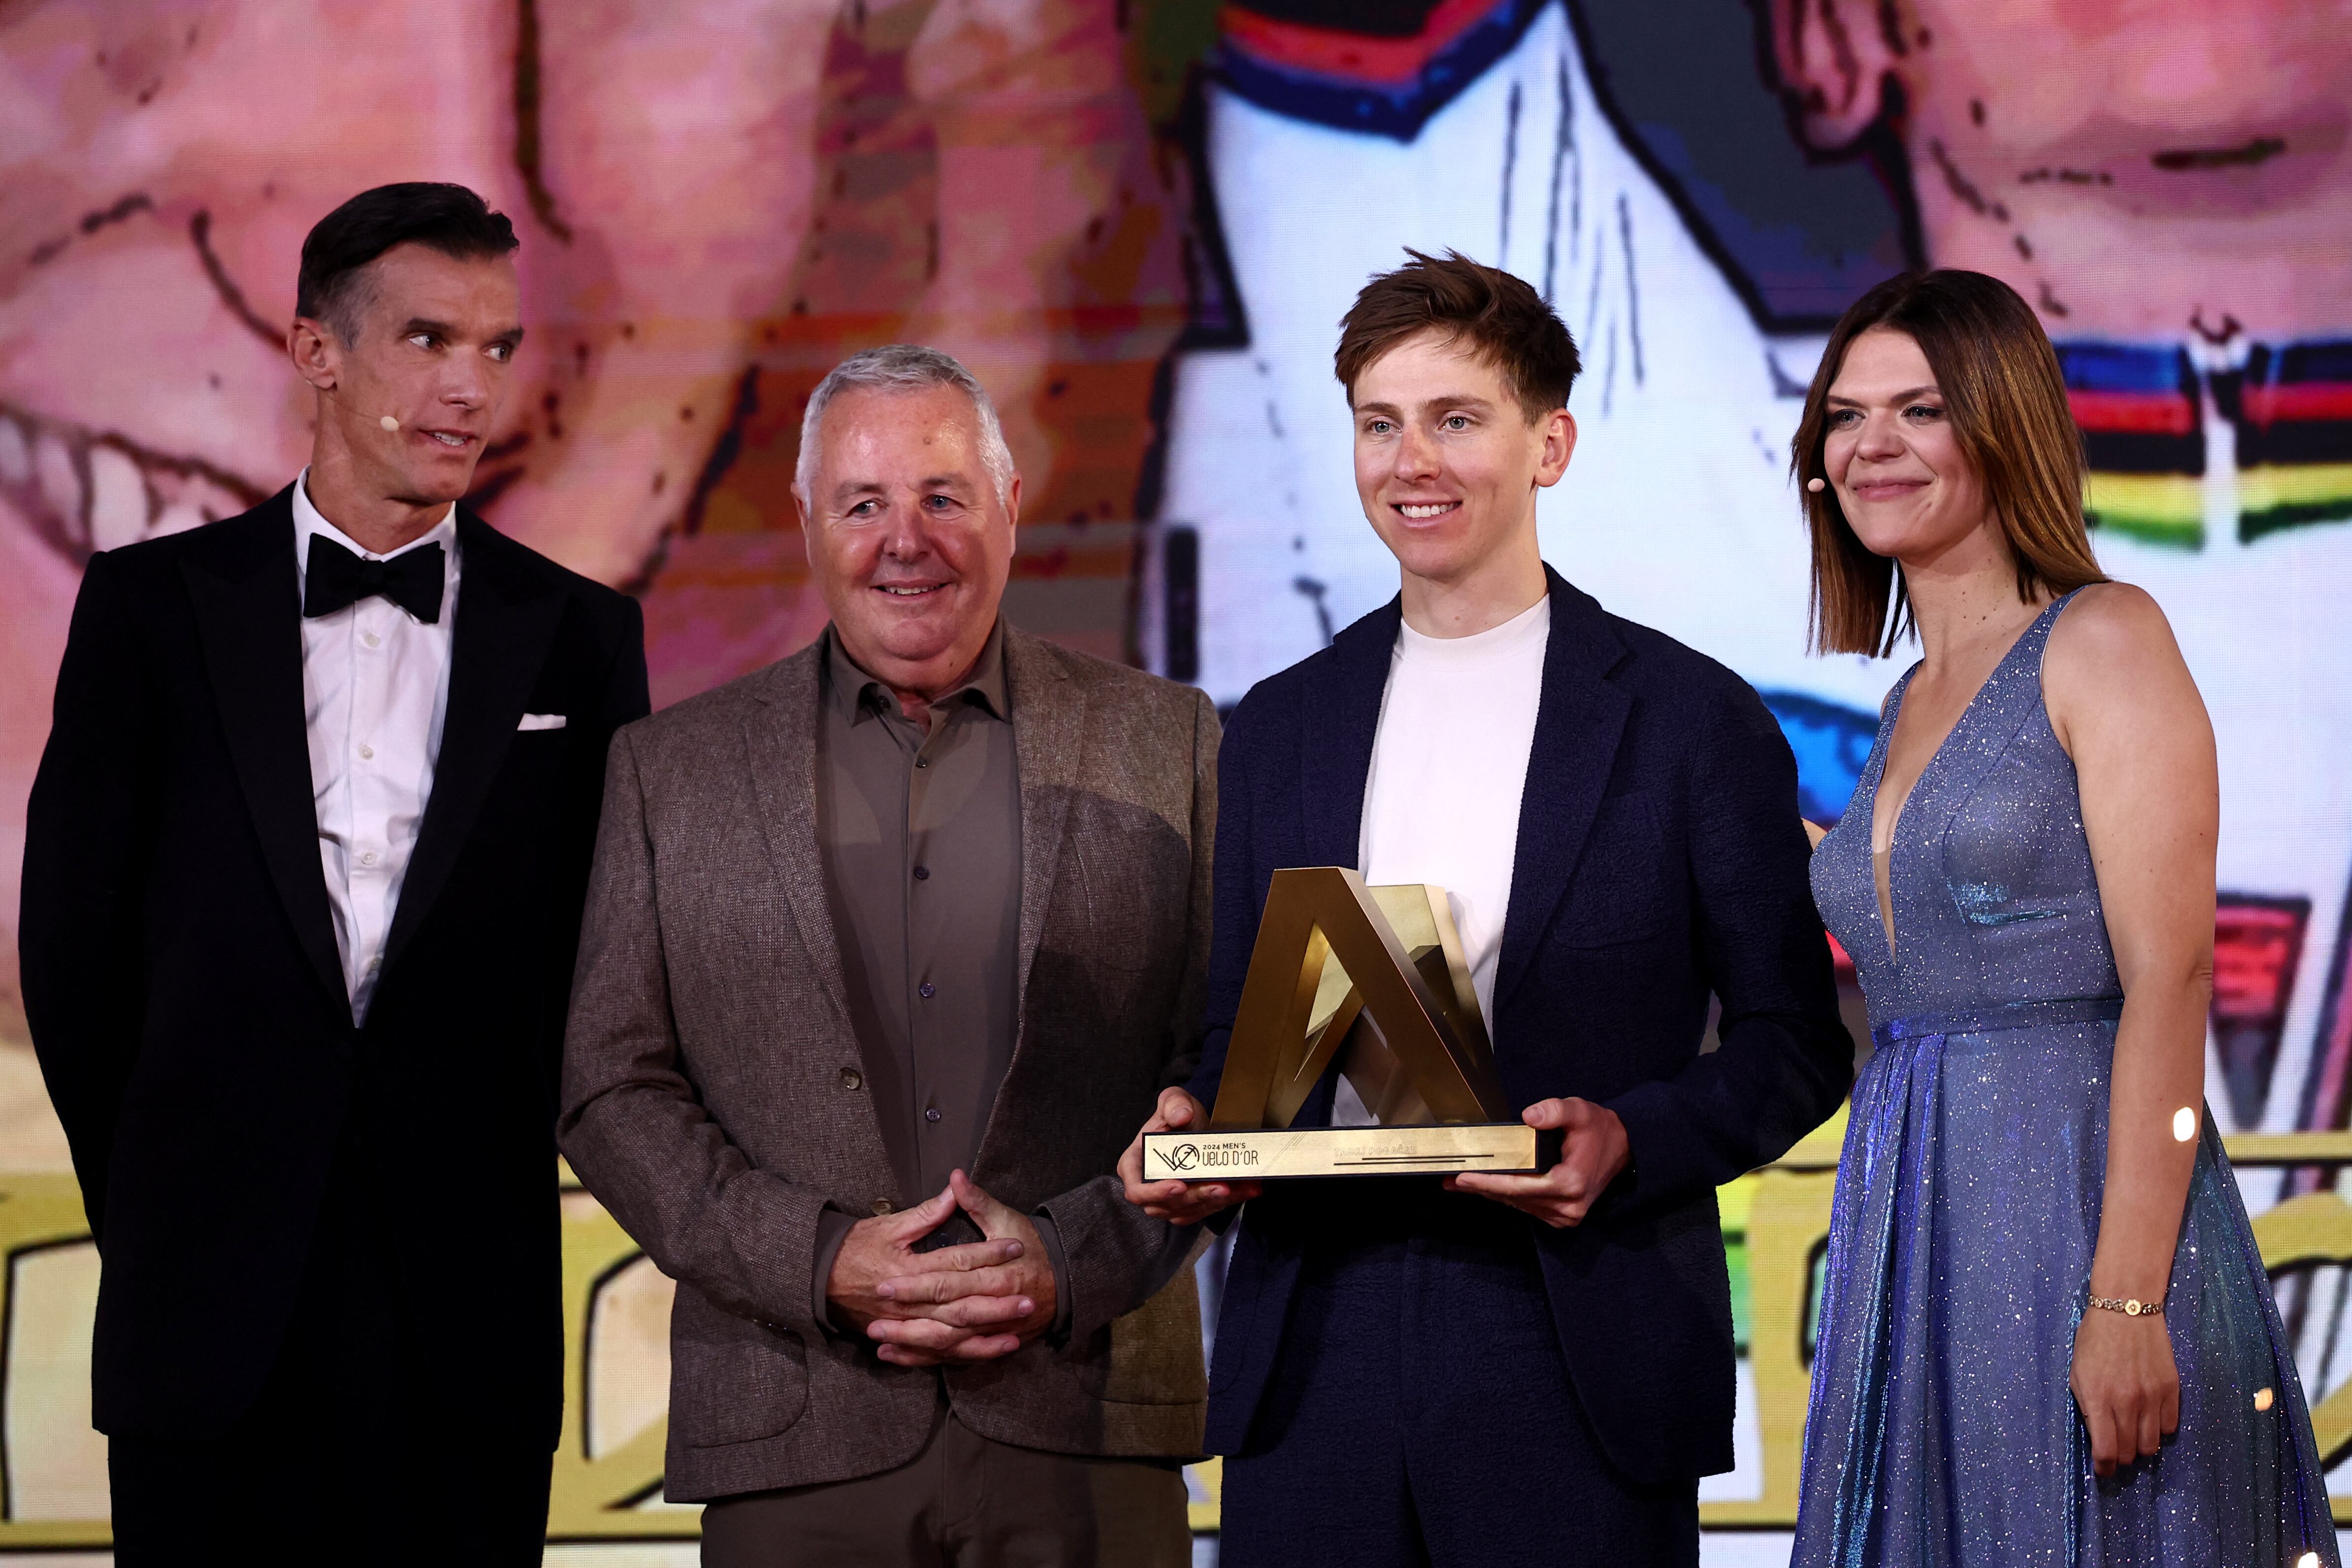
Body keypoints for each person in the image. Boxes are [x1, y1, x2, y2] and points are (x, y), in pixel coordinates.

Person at [1120, 250, 1852, 1566]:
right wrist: (1189, 1137)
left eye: (1457, 420)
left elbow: (1795, 1043)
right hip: (1316, 1365)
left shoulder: (1692, 721)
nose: (1415, 463)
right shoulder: (1279, 726)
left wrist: (1631, 1138)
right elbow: (1235, 1038)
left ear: (1550, 443)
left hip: (1577, 1351)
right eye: (1379, 425)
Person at [17, 182, 650, 1561]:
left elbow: (603, 967)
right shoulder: (148, 614)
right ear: (315, 350)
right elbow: (72, 957)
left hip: (465, 1327)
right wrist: (170, 1202)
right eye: (429, 339)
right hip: (205, 1323)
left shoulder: (582, 639)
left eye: (496, 347)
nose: (471, 387)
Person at [559, 345, 1214, 1566]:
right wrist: (819, 1259)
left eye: (944, 496)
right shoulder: (671, 772)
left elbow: (1225, 1062)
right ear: (808, 522)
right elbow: (610, 1082)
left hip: (1088, 1418)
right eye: (864, 503)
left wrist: (1069, 1261)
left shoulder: (1169, 738)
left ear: (1012, 507)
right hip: (796, 1425)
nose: (905, 539)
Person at [1789, 269, 2337, 1566]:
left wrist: (2129, 1294)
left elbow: (2174, 979)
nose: (1873, 444)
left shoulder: (2104, 638)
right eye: (1846, 414)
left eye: (1918, 409)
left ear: (2002, 424)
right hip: (1911, 1208)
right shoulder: (1905, 701)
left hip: (2084, 1206)